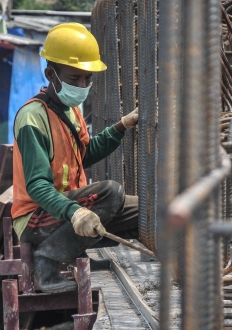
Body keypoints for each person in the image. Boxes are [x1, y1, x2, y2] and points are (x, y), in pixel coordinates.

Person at [12, 23, 139, 293]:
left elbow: (83, 156)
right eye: (74, 79)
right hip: (37, 217)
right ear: (51, 74)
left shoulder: (71, 111)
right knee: (111, 192)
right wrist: (74, 211)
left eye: (87, 80)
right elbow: (37, 185)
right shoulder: (32, 117)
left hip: (67, 211)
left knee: (142, 211)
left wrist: (121, 127)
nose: (82, 86)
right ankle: (45, 262)